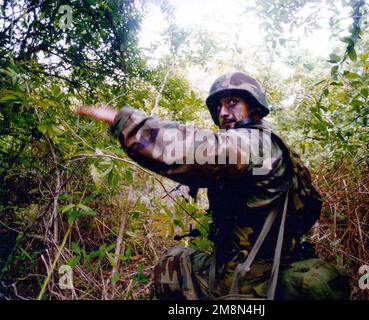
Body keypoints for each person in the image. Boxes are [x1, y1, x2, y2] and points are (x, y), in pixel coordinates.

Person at [75, 72, 350, 300]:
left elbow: (197, 149)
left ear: (253, 108)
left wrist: (124, 121)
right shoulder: (267, 144)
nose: (223, 113)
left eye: (232, 103)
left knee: (171, 267)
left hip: (255, 277)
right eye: (218, 107)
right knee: (175, 261)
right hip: (257, 264)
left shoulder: (255, 144)